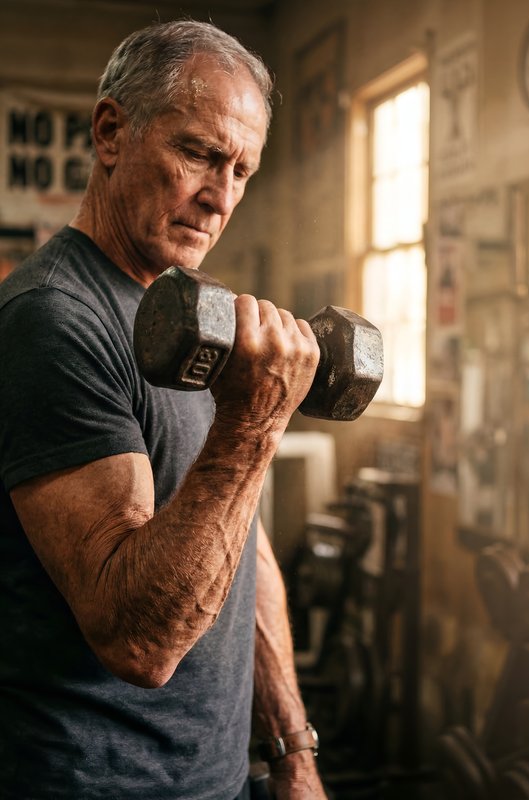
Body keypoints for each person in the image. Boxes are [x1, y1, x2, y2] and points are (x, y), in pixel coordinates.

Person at [0, 20, 327, 800]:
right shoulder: (54, 320)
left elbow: (234, 541)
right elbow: (137, 640)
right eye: (199, 154)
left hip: (218, 780)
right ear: (111, 132)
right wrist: (254, 424)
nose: (220, 198)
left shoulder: (190, 314)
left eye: (242, 170)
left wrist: (290, 751)